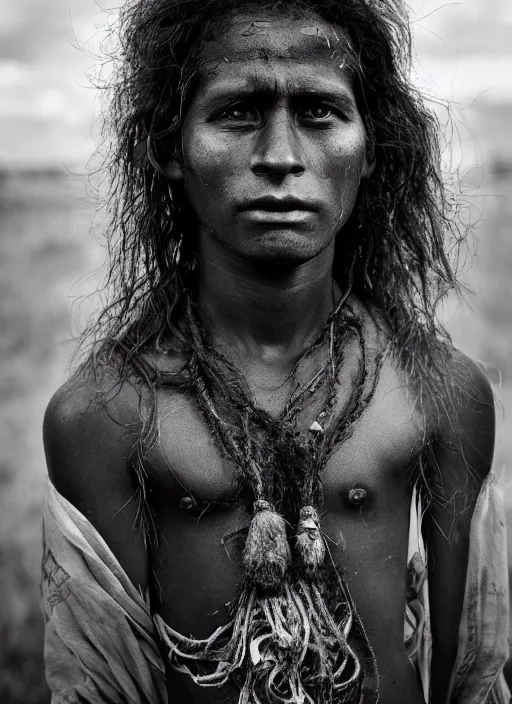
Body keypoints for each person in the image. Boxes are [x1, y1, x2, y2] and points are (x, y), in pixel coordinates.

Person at [41, 0, 510, 702]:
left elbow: (468, 676)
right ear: (171, 149)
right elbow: (101, 685)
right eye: (237, 113)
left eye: (321, 112)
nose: (281, 158)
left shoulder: (441, 392)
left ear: (371, 148)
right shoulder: (105, 416)